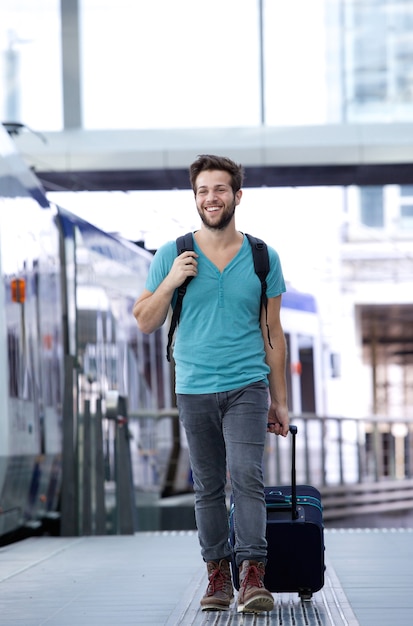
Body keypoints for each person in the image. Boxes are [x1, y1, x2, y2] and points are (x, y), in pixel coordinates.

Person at [133, 154, 289, 614]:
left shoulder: (263, 257)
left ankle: (252, 574)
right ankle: (217, 575)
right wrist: (171, 282)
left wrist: (280, 401)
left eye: (219, 190)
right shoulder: (172, 253)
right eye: (202, 191)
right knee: (206, 485)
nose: (211, 198)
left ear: (237, 196)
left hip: (247, 383)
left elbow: (273, 333)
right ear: (195, 198)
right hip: (194, 385)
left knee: (246, 475)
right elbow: (144, 320)